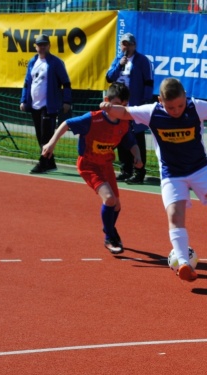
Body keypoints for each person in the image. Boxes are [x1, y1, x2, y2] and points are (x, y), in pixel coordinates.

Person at [100, 77, 207, 282]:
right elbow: (124, 113)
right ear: (160, 100)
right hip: (172, 173)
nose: (176, 111)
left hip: (199, 167)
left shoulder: (195, 107)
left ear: (185, 97)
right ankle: (184, 263)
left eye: (179, 105)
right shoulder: (152, 112)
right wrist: (109, 107)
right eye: (170, 107)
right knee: (175, 215)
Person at [41, 83, 142, 255]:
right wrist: (51, 143)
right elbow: (66, 123)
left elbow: (130, 141)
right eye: (116, 104)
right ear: (106, 101)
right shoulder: (92, 119)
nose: (120, 109)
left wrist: (137, 156)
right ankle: (110, 236)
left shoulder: (124, 123)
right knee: (109, 199)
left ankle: (109, 230)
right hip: (88, 165)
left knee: (116, 206)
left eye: (123, 106)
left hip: (106, 165)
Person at [105, 33, 154, 184]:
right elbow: (109, 77)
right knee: (121, 136)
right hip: (119, 105)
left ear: (134, 45)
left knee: (136, 137)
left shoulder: (142, 61)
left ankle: (139, 171)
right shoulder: (118, 60)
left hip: (135, 104)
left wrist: (144, 102)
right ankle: (126, 170)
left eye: (129, 44)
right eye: (123, 44)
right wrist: (119, 65)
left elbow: (148, 82)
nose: (126, 47)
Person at [20, 34, 73, 174]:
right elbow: (26, 83)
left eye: (44, 44)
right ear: (36, 47)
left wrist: (67, 101)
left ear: (49, 46)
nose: (42, 47)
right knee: (40, 136)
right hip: (34, 105)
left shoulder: (55, 63)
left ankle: (42, 163)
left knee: (46, 136)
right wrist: (23, 100)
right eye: (39, 45)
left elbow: (66, 83)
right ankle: (50, 162)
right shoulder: (32, 62)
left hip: (49, 106)